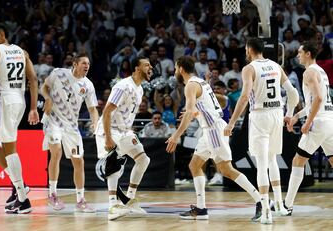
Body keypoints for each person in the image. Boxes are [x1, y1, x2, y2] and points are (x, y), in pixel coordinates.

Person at [166, 56, 262, 221]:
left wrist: (176, 135)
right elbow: (204, 107)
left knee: (226, 170)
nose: (175, 71)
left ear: (181, 69)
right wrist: (195, 112)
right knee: (194, 165)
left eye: (175, 68)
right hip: (208, 129)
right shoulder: (200, 82)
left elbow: (189, 112)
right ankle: (201, 208)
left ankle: (262, 201)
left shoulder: (190, 85)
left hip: (213, 131)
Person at [224, 38, 299, 224]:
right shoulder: (275, 65)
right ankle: (280, 205)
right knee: (273, 159)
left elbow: (243, 97)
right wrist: (289, 113)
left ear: (249, 49)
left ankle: (266, 211)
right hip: (276, 113)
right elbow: (293, 93)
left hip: (260, 115)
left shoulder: (249, 68)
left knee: (262, 163)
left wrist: (231, 123)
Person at [0, 23, 39, 213]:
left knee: (9, 149)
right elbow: (33, 79)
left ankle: (23, 199)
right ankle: (19, 185)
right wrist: (32, 108)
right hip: (19, 101)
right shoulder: (22, 52)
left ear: (1, 35)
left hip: (3, 101)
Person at [95, 56, 153, 220]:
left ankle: (129, 199)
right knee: (114, 164)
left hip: (124, 130)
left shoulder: (140, 89)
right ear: (136, 68)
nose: (151, 68)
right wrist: (107, 138)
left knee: (143, 160)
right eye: (147, 65)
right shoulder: (123, 86)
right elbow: (106, 112)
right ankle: (113, 205)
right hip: (109, 129)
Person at [41, 53, 99, 212]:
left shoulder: (88, 85)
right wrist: (47, 98)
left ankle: (80, 200)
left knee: (78, 161)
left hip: (71, 126)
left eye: (88, 64)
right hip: (53, 119)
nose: (87, 66)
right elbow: (44, 86)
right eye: (84, 63)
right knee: (56, 152)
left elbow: (93, 109)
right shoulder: (58, 73)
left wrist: (95, 124)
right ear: (75, 63)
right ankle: (52, 194)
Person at [284, 41, 333, 215]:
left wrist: (307, 121)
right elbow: (315, 101)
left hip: (319, 123)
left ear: (308, 54)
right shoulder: (321, 71)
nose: (297, 55)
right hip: (330, 121)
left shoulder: (309, 72)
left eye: (300, 52)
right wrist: (297, 116)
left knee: (298, 161)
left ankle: (287, 205)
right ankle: (287, 204)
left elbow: (318, 99)